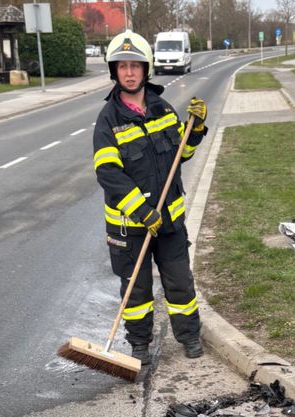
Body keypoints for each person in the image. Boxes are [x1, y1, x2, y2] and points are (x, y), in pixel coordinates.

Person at [92, 30, 207, 365]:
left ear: (146, 69)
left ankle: (188, 336)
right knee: (137, 293)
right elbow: (109, 175)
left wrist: (195, 129)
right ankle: (139, 345)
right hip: (131, 229)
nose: (129, 72)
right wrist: (143, 211)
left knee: (181, 285)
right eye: (122, 66)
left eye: (135, 66)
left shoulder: (163, 109)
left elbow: (180, 156)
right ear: (114, 71)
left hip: (169, 223)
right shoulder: (108, 122)